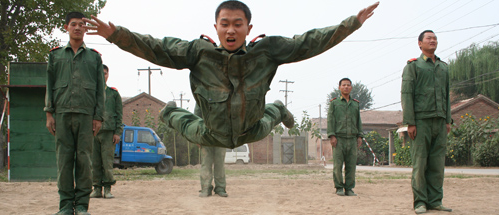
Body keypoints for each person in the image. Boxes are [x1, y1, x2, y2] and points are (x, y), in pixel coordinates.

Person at [83, 1, 379, 149]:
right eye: (224, 23)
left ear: (249, 29)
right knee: (177, 118)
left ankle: (279, 108)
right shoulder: (198, 52)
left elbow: (309, 42)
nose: (231, 29)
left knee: (272, 114)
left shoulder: (266, 52)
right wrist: (116, 34)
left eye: (238, 23)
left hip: (251, 130)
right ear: (216, 28)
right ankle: (170, 112)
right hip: (212, 133)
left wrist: (350, 24)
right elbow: (155, 48)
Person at [45, 11, 104, 215]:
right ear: (66, 28)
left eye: (81, 24)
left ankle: (81, 206)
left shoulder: (94, 57)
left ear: (85, 29)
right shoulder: (55, 55)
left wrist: (98, 117)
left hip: (86, 116)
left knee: (85, 161)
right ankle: (65, 206)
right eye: (73, 24)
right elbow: (50, 86)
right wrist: (49, 114)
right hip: (61, 115)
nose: (77, 27)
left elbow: (100, 91)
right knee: (64, 161)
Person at [401, 30, 452, 215]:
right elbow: (406, 95)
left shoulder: (443, 67)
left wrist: (447, 120)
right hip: (421, 122)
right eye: (429, 38)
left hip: (440, 122)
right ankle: (420, 202)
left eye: (435, 38)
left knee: (437, 164)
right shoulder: (413, 67)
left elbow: (447, 96)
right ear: (420, 43)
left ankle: (436, 201)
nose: (433, 41)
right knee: (420, 164)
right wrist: (410, 123)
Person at [90, 64, 123, 199]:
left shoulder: (113, 94)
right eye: (101, 73)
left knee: (107, 162)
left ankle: (108, 189)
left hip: (109, 133)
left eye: (105, 73)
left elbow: (119, 114)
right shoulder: (91, 93)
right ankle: (97, 188)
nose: (103, 76)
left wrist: (117, 132)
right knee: (94, 162)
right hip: (93, 133)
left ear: (108, 75)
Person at [327, 78, 363, 196]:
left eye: (348, 85)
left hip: (352, 139)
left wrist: (359, 136)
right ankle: (339, 187)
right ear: (339, 87)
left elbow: (358, 121)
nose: (346, 87)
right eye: (344, 85)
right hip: (339, 139)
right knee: (338, 165)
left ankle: (349, 188)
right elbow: (331, 120)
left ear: (351, 87)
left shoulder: (355, 104)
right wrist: (332, 136)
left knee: (351, 165)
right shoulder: (334, 103)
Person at [194, 105, 228, 197]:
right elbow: (196, 118)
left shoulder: (224, 95)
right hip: (205, 135)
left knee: (219, 163)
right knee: (206, 163)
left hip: (221, 136)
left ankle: (220, 188)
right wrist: (197, 137)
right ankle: (206, 188)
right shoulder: (202, 95)